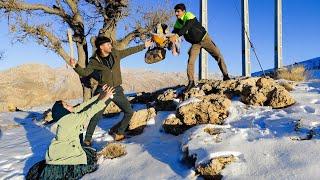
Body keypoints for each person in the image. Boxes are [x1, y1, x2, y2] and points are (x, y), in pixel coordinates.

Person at [70, 36, 152, 143]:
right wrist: (75, 66)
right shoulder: (94, 61)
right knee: (96, 116)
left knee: (129, 112)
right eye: (108, 44)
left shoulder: (115, 54)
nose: (110, 46)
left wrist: (143, 46)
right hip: (104, 91)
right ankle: (87, 140)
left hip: (117, 90)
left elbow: (129, 51)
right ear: (101, 47)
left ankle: (119, 133)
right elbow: (85, 73)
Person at [26, 85, 115, 180]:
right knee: (80, 162)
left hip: (68, 146)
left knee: (85, 153)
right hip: (67, 150)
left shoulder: (66, 116)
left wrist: (100, 94)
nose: (70, 106)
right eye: (67, 105)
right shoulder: (69, 119)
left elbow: (83, 105)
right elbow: (89, 112)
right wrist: (105, 98)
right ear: (63, 111)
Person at [170, 3, 231, 92]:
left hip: (204, 39)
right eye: (175, 12)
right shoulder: (178, 23)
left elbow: (187, 26)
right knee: (190, 61)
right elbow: (173, 32)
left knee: (218, 55)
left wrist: (177, 35)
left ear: (184, 11)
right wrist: (166, 37)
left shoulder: (189, 15)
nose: (176, 13)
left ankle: (226, 76)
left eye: (178, 11)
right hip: (195, 43)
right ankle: (191, 82)